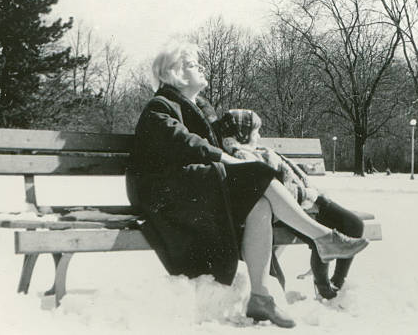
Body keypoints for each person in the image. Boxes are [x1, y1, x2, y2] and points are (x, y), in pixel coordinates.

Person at [126, 41, 369, 328]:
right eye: (193, 64)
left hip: (194, 185)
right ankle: (323, 238)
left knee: (260, 201)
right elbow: (185, 142)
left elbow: (227, 137)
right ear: (174, 73)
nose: (201, 67)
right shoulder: (160, 106)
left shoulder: (200, 108)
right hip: (164, 191)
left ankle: (260, 297)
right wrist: (229, 160)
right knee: (256, 175)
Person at [217, 109, 367, 300]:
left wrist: (305, 174)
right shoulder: (241, 156)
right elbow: (272, 184)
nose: (260, 136)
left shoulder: (258, 151)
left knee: (354, 224)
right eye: (256, 132)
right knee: (318, 237)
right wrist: (307, 196)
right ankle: (324, 288)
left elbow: (285, 171)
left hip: (309, 199)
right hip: (290, 209)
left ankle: (337, 282)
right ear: (243, 134)